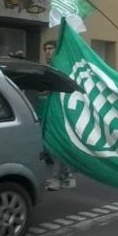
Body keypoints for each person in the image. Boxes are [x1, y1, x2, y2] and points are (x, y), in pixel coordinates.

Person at [39, 40, 77, 190]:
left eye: (51, 48)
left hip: (61, 113)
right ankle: (67, 176)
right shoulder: (46, 68)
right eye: (46, 49)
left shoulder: (62, 68)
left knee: (56, 145)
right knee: (51, 146)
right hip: (45, 110)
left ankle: (57, 178)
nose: (48, 51)